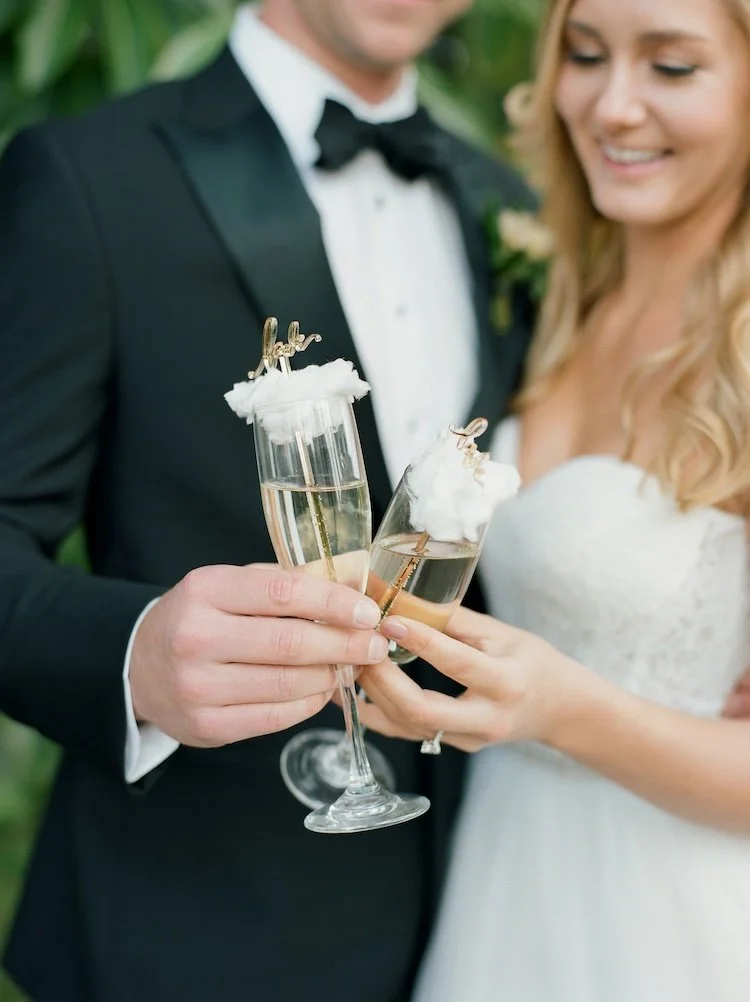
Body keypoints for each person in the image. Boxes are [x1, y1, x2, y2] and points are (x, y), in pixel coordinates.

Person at [0, 1, 535, 1000]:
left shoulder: (502, 203)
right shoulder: (89, 178)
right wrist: (135, 655)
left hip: (480, 920)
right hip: (186, 936)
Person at [355, 0, 750, 999]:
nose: (613, 107)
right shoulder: (554, 299)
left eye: (671, 67)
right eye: (584, 54)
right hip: (502, 884)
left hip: (678, 923)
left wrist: (564, 708)